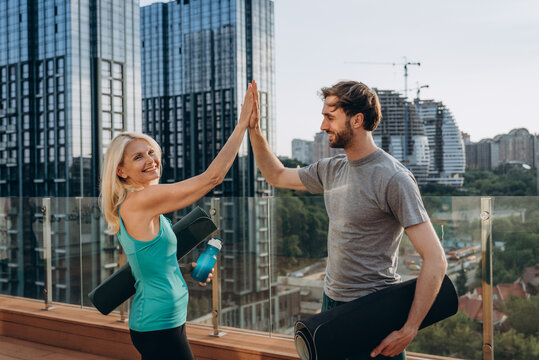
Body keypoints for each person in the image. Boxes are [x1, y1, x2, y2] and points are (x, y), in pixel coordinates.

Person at [248, 81, 447, 359]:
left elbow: (436, 259)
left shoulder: (393, 178)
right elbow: (277, 176)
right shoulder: (331, 168)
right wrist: (255, 130)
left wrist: (409, 329)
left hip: (372, 311)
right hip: (331, 303)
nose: (322, 126)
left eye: (330, 117)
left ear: (357, 120)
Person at [100, 81, 257, 360]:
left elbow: (153, 266)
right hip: (157, 324)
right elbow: (212, 178)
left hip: (166, 319)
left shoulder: (146, 204)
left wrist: (186, 271)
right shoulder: (140, 201)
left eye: (150, 152)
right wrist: (242, 124)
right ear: (121, 172)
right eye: (138, 157)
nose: (150, 159)